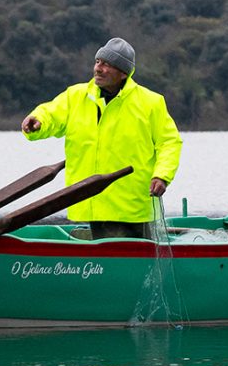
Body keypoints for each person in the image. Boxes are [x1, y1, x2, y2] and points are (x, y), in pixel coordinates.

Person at [21, 37, 182, 240]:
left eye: (107, 64)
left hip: (132, 203)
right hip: (88, 199)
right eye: (98, 62)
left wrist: (162, 176)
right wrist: (38, 121)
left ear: (123, 73)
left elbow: (169, 142)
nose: (99, 68)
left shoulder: (151, 102)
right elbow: (51, 113)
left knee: (133, 259)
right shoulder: (75, 96)